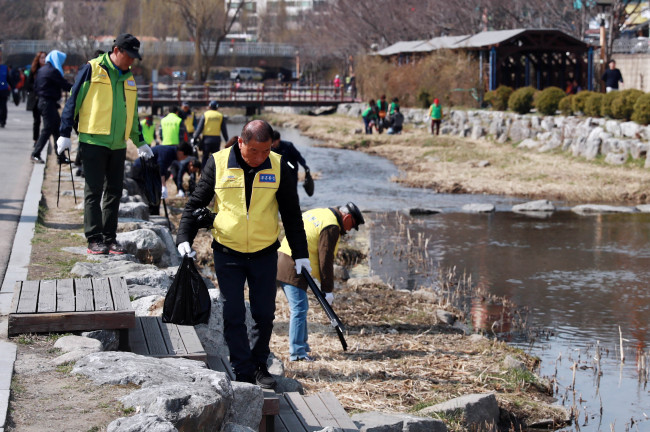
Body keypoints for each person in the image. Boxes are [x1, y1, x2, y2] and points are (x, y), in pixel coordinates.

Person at [176, 119, 309, 389]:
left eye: (266, 151)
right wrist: (183, 239)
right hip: (228, 252)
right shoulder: (218, 162)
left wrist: (301, 253)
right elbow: (195, 203)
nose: (260, 158)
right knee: (233, 313)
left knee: (264, 313)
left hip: (264, 253)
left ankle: (260, 365)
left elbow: (292, 215)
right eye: (254, 151)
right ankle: (242, 369)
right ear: (240, 142)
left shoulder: (279, 164)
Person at [58, 33, 154, 255]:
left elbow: (132, 114)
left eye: (134, 57)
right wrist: (64, 133)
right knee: (94, 190)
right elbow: (73, 101)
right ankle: (94, 238)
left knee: (114, 191)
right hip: (93, 140)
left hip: (118, 144)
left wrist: (141, 143)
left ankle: (110, 238)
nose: (131, 61)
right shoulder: (92, 69)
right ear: (117, 50)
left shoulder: (129, 79)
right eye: (129, 56)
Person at [276, 202, 364, 362]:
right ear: (347, 217)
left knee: (301, 307)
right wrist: (328, 289)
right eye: (352, 225)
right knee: (299, 308)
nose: (350, 230)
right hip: (293, 264)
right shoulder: (331, 226)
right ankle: (297, 353)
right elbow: (326, 259)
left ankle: (303, 347)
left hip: (284, 256)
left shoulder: (321, 213)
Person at [31, 50, 73, 164]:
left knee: (56, 130)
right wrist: (77, 88)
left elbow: (35, 87)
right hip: (47, 103)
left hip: (44, 102)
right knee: (48, 129)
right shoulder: (52, 71)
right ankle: (35, 154)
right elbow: (64, 85)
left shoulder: (42, 70)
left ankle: (61, 157)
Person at [193, 100, 229, 169]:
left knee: (205, 157)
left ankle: (203, 172)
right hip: (216, 140)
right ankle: (216, 173)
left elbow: (199, 128)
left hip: (206, 140)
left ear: (209, 107)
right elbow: (224, 130)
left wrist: (195, 137)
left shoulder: (205, 115)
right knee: (216, 158)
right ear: (217, 107)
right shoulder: (220, 116)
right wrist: (226, 140)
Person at [25, 52, 46, 146]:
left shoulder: (49, 69)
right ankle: (36, 140)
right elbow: (28, 84)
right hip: (36, 98)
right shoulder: (33, 70)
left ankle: (43, 140)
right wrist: (36, 87)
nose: (43, 60)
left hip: (46, 98)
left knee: (47, 122)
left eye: (45, 57)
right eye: (42, 58)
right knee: (37, 120)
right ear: (38, 59)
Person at [0, 50, 10, 128]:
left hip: (3, 90)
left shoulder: (5, 68)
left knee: (3, 107)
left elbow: (9, 79)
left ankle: (3, 121)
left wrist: (14, 88)